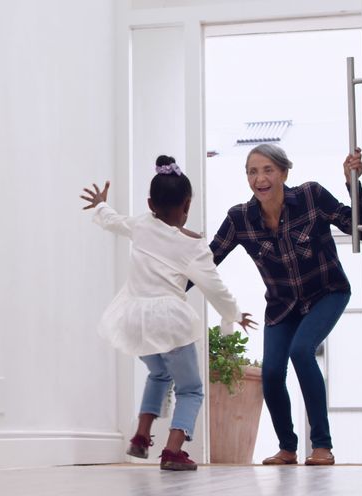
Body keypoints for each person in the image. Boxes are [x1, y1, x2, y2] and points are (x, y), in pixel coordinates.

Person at [81, 155, 255, 471]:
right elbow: (213, 287)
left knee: (159, 373)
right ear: (186, 205)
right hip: (169, 323)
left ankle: (141, 435)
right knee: (191, 389)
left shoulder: (141, 224)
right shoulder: (194, 246)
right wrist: (234, 314)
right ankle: (173, 451)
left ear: (150, 203)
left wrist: (100, 205)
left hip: (134, 320)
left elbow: (112, 220)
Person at [207, 143, 362, 466]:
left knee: (301, 350)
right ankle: (287, 448)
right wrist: (172, 285)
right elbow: (208, 260)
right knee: (272, 371)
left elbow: (355, 224)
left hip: (328, 291)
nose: (259, 178)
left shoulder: (310, 196)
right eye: (252, 171)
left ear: (283, 173)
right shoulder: (240, 219)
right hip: (282, 305)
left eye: (267, 170)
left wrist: (353, 182)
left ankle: (322, 445)